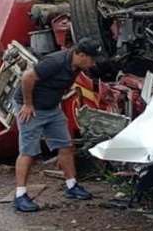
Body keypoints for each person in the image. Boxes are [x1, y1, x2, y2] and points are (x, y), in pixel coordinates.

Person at [12, 39, 101, 212]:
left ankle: (72, 185)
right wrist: (28, 104)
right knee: (28, 151)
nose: (93, 63)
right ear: (81, 55)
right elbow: (27, 77)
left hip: (52, 108)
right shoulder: (55, 62)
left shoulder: (77, 67)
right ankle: (20, 195)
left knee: (65, 145)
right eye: (91, 59)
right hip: (32, 109)